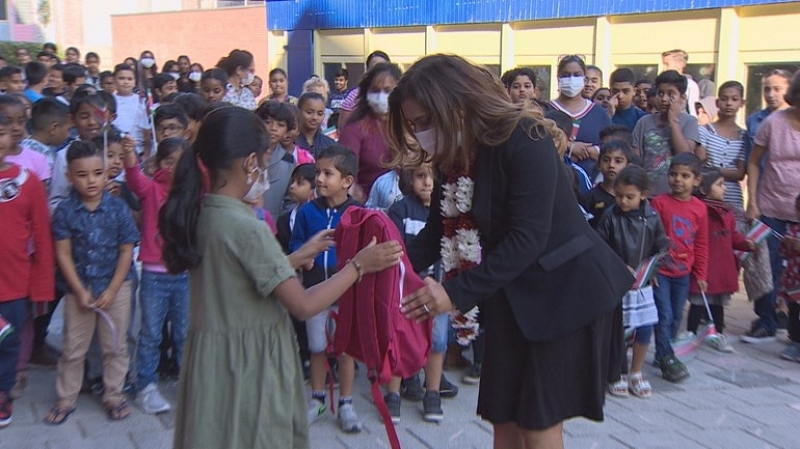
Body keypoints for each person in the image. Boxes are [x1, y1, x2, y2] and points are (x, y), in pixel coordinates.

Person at [388, 54, 632, 449]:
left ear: (455, 104)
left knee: (536, 423)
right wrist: (381, 269)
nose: (420, 135)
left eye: (425, 122)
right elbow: (435, 235)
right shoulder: (454, 153)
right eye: (414, 126)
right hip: (512, 297)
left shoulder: (524, 138)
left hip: (564, 294)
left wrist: (452, 294)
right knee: (503, 418)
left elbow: (528, 237)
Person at [159, 106, 401, 449]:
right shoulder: (247, 226)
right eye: (264, 158)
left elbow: (243, 277)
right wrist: (358, 266)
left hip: (212, 361)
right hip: (248, 366)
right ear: (249, 163)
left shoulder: (207, 215)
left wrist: (299, 256)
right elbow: (302, 305)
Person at [44, 140, 139, 425]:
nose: (91, 180)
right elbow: (62, 253)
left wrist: (111, 290)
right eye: (82, 175)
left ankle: (114, 395)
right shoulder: (65, 211)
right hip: (80, 289)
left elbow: (126, 250)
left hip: (117, 286)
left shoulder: (118, 208)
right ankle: (66, 399)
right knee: (74, 348)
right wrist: (78, 289)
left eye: (97, 173)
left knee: (115, 345)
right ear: (69, 177)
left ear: (107, 172)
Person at [289, 145, 365, 433]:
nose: (319, 179)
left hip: (346, 295)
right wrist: (303, 256)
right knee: (318, 348)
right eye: (318, 172)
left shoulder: (359, 214)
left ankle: (346, 403)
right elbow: (296, 243)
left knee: (345, 350)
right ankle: (318, 401)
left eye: (327, 174)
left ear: (347, 181)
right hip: (314, 295)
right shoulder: (307, 212)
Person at [120, 135, 189, 415]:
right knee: (150, 334)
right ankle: (145, 386)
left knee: (184, 333)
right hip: (153, 276)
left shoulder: (192, 193)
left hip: (183, 275)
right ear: (159, 163)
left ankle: (190, 384)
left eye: (180, 163)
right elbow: (133, 177)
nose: (173, 168)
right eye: (168, 161)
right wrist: (128, 154)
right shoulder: (150, 189)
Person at [385, 163, 457, 423]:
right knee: (399, 338)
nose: (427, 183)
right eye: (420, 176)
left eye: (432, 177)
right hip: (406, 291)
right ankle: (393, 394)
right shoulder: (400, 210)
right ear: (409, 179)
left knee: (437, 342)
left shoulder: (448, 212)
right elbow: (395, 249)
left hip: (439, 291)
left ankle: (433, 392)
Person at [0, 113, 54, 429]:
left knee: (8, 342)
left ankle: (3, 393)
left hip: (14, 284)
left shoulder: (27, 181)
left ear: (12, 138)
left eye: (2, 132)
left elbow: (42, 236)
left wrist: (42, 286)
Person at [596, 165, 668, 398]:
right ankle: (616, 372)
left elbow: (662, 249)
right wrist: (618, 266)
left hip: (642, 283)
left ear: (643, 195)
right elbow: (599, 246)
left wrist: (651, 270)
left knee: (645, 326)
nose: (623, 202)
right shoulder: (610, 216)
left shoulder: (652, 218)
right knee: (618, 328)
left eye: (630, 197)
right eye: (619, 196)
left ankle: (636, 371)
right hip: (616, 283)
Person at [744, 71, 800, 342]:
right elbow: (753, 162)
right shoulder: (773, 123)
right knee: (769, 267)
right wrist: (752, 202)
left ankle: (794, 329)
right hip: (771, 206)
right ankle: (766, 319)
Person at [650, 153, 709, 382]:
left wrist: (701, 274)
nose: (678, 180)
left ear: (696, 180)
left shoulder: (700, 209)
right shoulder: (659, 203)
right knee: (664, 314)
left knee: (675, 316)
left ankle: (666, 350)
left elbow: (702, 244)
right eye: (673, 174)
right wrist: (651, 270)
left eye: (685, 176)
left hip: (683, 272)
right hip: (661, 272)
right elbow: (651, 238)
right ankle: (666, 356)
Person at [686, 169, 754, 352]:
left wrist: (746, 244)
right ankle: (690, 335)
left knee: (718, 305)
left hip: (722, 268)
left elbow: (733, 237)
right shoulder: (699, 210)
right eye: (719, 184)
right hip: (704, 268)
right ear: (705, 189)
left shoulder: (727, 213)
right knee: (698, 304)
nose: (724, 189)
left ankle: (717, 334)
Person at [338, 62, 402, 202]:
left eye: (388, 90)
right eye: (375, 90)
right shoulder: (354, 128)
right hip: (367, 205)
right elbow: (343, 172)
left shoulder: (408, 124)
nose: (381, 96)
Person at [632, 70, 700, 197]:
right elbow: (636, 160)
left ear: (682, 98)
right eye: (660, 93)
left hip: (676, 196)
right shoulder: (644, 122)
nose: (664, 99)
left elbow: (685, 156)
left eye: (671, 94)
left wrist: (673, 121)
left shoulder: (689, 122)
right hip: (648, 195)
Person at [549, 55, 611, 178]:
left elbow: (612, 145)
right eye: (566, 75)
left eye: (577, 75)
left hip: (592, 184)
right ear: (558, 78)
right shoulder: (547, 110)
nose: (571, 79)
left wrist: (592, 151)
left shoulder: (598, 112)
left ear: (584, 78)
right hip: (553, 179)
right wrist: (569, 146)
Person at [698, 81, 747, 210]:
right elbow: (700, 162)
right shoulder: (705, 130)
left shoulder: (744, 136)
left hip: (733, 197)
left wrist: (713, 169)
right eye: (724, 99)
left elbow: (740, 173)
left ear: (742, 103)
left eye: (734, 99)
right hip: (708, 195)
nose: (729, 103)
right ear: (717, 102)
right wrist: (728, 171)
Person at [20, 97, 71, 191]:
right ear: (54, 128)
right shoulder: (45, 158)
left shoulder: (20, 148)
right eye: (68, 130)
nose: (69, 135)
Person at [1, 95, 51, 189]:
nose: (16, 128)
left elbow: (39, 198)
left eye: (21, 122)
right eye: (8, 122)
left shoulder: (37, 159)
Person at [582, 140, 633, 229]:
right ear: (598, 164)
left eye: (618, 161)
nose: (611, 165)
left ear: (628, 166)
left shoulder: (633, 198)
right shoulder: (590, 198)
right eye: (606, 160)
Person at [338, 50, 390, 126]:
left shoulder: (396, 95)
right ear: (368, 70)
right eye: (374, 67)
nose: (378, 71)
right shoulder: (354, 95)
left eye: (382, 67)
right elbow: (342, 128)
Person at [112, 64, 152, 158]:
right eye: (121, 78)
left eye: (130, 79)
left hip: (137, 152)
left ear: (135, 81)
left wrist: (145, 155)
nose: (126, 82)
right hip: (115, 153)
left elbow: (146, 132)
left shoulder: (141, 100)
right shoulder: (109, 100)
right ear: (114, 80)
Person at [778, 194, 800, 362]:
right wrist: (786, 244)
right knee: (794, 312)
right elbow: (782, 253)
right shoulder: (793, 229)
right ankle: (795, 341)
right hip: (794, 280)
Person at [295, 92, 336, 157]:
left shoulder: (330, 145)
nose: (315, 117)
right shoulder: (289, 142)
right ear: (298, 111)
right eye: (309, 112)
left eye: (320, 114)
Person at [661, 50, 700, 117]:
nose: (664, 68)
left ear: (680, 64)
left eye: (667, 64)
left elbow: (693, 111)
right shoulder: (662, 84)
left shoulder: (690, 85)